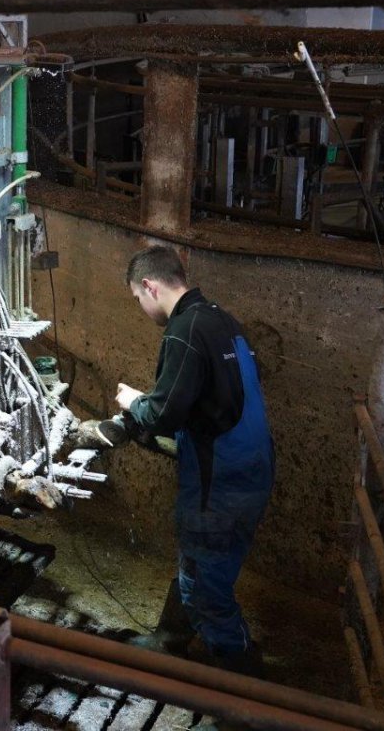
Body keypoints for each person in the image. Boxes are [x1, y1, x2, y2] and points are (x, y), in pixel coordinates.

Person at [74, 244, 275, 676]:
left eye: (136, 299)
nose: (141, 307)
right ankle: (170, 640)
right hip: (251, 468)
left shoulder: (183, 330)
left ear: (149, 286)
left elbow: (164, 414)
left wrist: (133, 403)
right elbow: (216, 400)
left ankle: (247, 692)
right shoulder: (222, 319)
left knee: (207, 590)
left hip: (218, 480)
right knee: (200, 562)